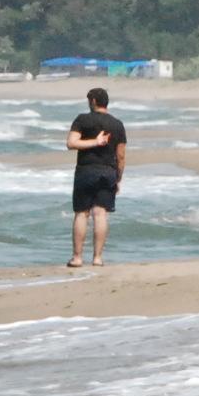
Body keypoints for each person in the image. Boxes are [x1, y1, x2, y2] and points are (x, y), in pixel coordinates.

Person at [63, 86, 127, 267]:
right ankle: (97, 258)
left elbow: (71, 143)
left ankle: (77, 258)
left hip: (86, 170)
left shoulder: (82, 120)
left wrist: (94, 142)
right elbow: (121, 155)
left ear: (93, 101)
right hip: (108, 172)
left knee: (82, 214)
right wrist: (118, 177)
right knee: (100, 214)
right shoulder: (117, 124)